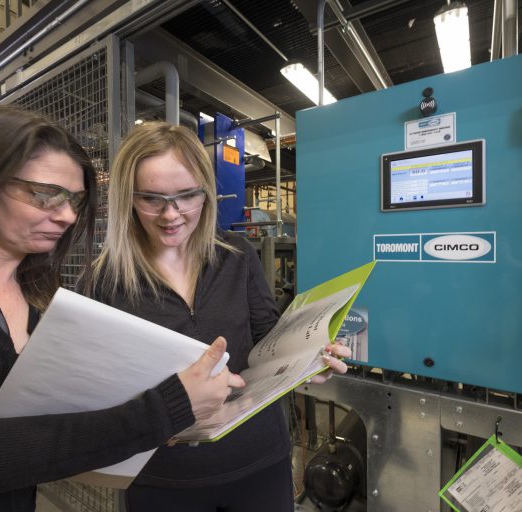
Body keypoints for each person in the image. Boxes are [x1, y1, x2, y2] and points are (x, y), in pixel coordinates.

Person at [0, 106, 242, 511]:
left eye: (75, 200)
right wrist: (162, 410)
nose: (67, 216)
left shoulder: (35, 295)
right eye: (44, 195)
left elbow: (31, 434)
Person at [88, 120, 351, 512]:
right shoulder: (106, 280)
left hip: (258, 460)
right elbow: (92, 385)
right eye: (152, 198)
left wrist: (310, 359)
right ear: (128, 198)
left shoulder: (236, 256)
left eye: (186, 196)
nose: (171, 214)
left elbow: (268, 344)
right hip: (165, 477)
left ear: (207, 194)